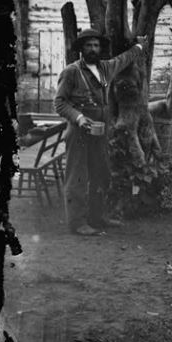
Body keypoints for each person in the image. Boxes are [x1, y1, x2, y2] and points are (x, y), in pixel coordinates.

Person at [54, 29, 147, 236]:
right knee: (77, 177)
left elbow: (124, 59)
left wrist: (140, 47)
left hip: (100, 132)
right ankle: (77, 223)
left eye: (96, 45)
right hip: (79, 133)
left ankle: (98, 217)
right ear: (81, 49)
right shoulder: (71, 72)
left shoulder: (105, 68)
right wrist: (79, 118)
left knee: (101, 174)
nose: (93, 49)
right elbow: (59, 103)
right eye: (88, 45)